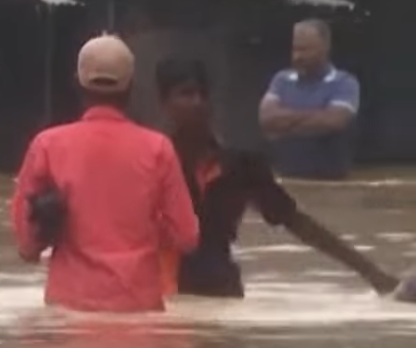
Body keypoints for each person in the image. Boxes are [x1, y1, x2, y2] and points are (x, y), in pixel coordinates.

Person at [156, 57, 401, 298]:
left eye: (202, 94)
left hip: (220, 292)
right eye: (186, 94)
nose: (198, 102)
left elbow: (297, 223)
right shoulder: (153, 162)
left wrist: (374, 275)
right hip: (165, 294)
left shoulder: (241, 166)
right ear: (165, 103)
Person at [10, 35, 199, 314]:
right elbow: (187, 238)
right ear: (132, 86)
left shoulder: (47, 145)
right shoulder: (158, 149)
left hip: (70, 309)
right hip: (137, 308)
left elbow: (27, 248)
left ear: (77, 82)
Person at [259, 19, 361, 180]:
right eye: (295, 49)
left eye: (305, 50)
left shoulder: (345, 82)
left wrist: (285, 125)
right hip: (287, 180)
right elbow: (266, 119)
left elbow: (334, 121)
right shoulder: (281, 80)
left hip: (332, 184)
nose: (298, 56)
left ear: (325, 47)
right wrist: (316, 117)